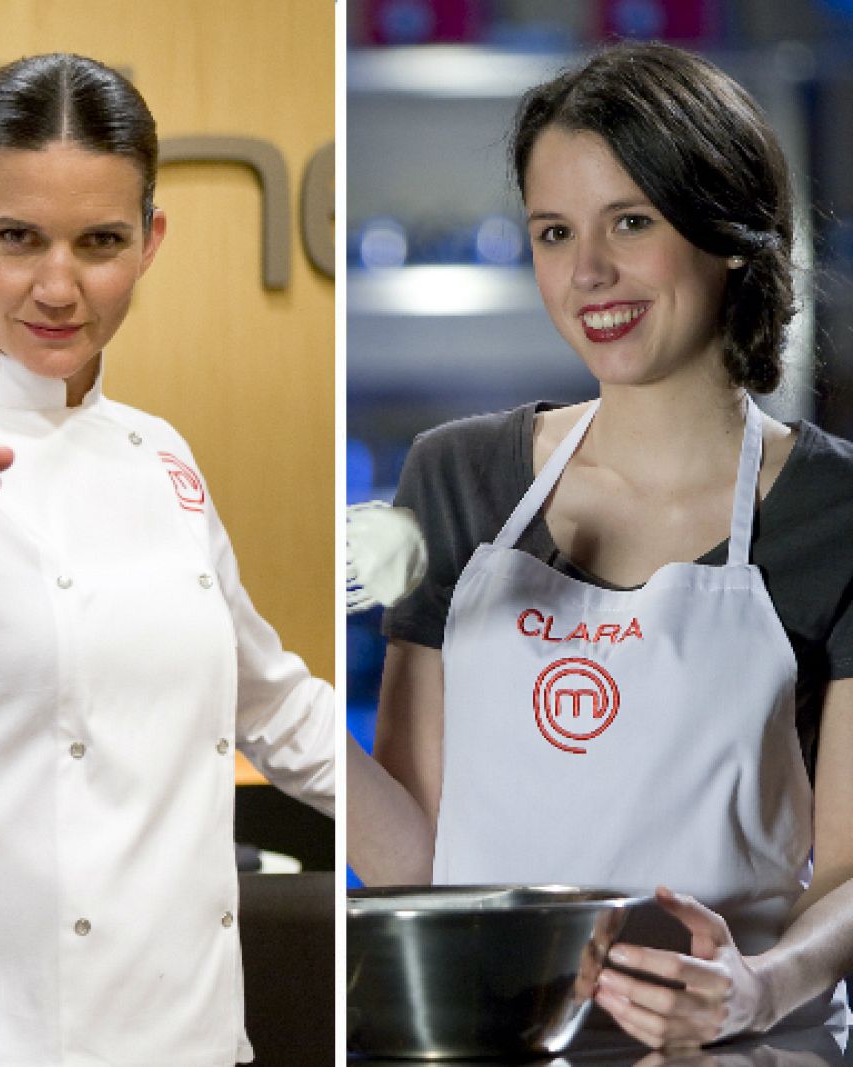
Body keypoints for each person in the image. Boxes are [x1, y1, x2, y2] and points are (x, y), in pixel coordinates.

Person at [0, 53, 336, 1067]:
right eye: (15, 238)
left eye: (99, 242)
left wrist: (449, 824)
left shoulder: (162, 452)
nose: (57, 284)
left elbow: (269, 700)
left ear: (150, 240)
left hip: (185, 1031)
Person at [356, 41, 853, 1048]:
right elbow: (423, 860)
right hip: (496, 1035)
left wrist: (755, 985)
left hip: (742, 1044)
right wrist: (273, 686)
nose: (586, 273)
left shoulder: (832, 505)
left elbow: (848, 869)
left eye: (630, 221)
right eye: (552, 230)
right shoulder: (459, 478)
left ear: (726, 233)